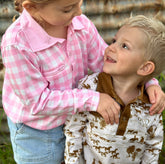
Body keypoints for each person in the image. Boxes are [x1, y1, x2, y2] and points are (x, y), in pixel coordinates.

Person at [1, 0, 164, 163]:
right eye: (68, 8)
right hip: (38, 131)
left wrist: (148, 82)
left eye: (80, 1)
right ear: (32, 8)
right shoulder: (16, 44)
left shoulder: (79, 25)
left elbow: (104, 62)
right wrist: (92, 99)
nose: (79, 12)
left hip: (77, 117)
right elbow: (37, 103)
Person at [64, 15, 165, 164]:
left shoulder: (150, 104)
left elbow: (153, 144)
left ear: (144, 67)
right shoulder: (90, 87)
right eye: (114, 41)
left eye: (124, 46)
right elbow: (73, 131)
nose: (110, 47)